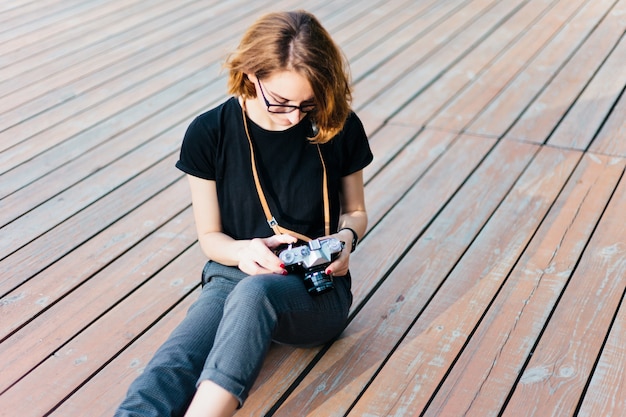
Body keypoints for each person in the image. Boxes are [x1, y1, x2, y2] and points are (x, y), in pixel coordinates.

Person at [114, 9, 373, 417]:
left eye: (307, 104)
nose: (293, 116)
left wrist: (345, 240)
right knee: (176, 358)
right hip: (234, 272)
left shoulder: (336, 123)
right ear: (251, 73)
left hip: (315, 288)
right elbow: (210, 237)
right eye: (281, 102)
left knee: (256, 295)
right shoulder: (209, 132)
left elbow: (356, 211)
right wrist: (243, 253)